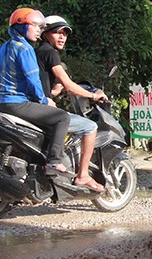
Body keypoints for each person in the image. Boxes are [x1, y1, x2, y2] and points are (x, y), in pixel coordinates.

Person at [0, 8, 71, 175]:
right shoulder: (25, 49)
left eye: (40, 27)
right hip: (14, 104)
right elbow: (33, 81)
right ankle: (54, 161)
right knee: (61, 117)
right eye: (35, 26)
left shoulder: (3, 47)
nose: (39, 30)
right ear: (22, 27)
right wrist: (45, 100)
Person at [35, 15, 108, 192]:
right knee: (89, 127)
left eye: (65, 33)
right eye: (57, 32)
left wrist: (54, 93)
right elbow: (69, 84)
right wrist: (92, 95)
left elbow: (44, 84)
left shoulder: (38, 52)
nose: (62, 37)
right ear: (45, 34)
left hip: (37, 104)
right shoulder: (50, 52)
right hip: (41, 109)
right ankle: (83, 176)